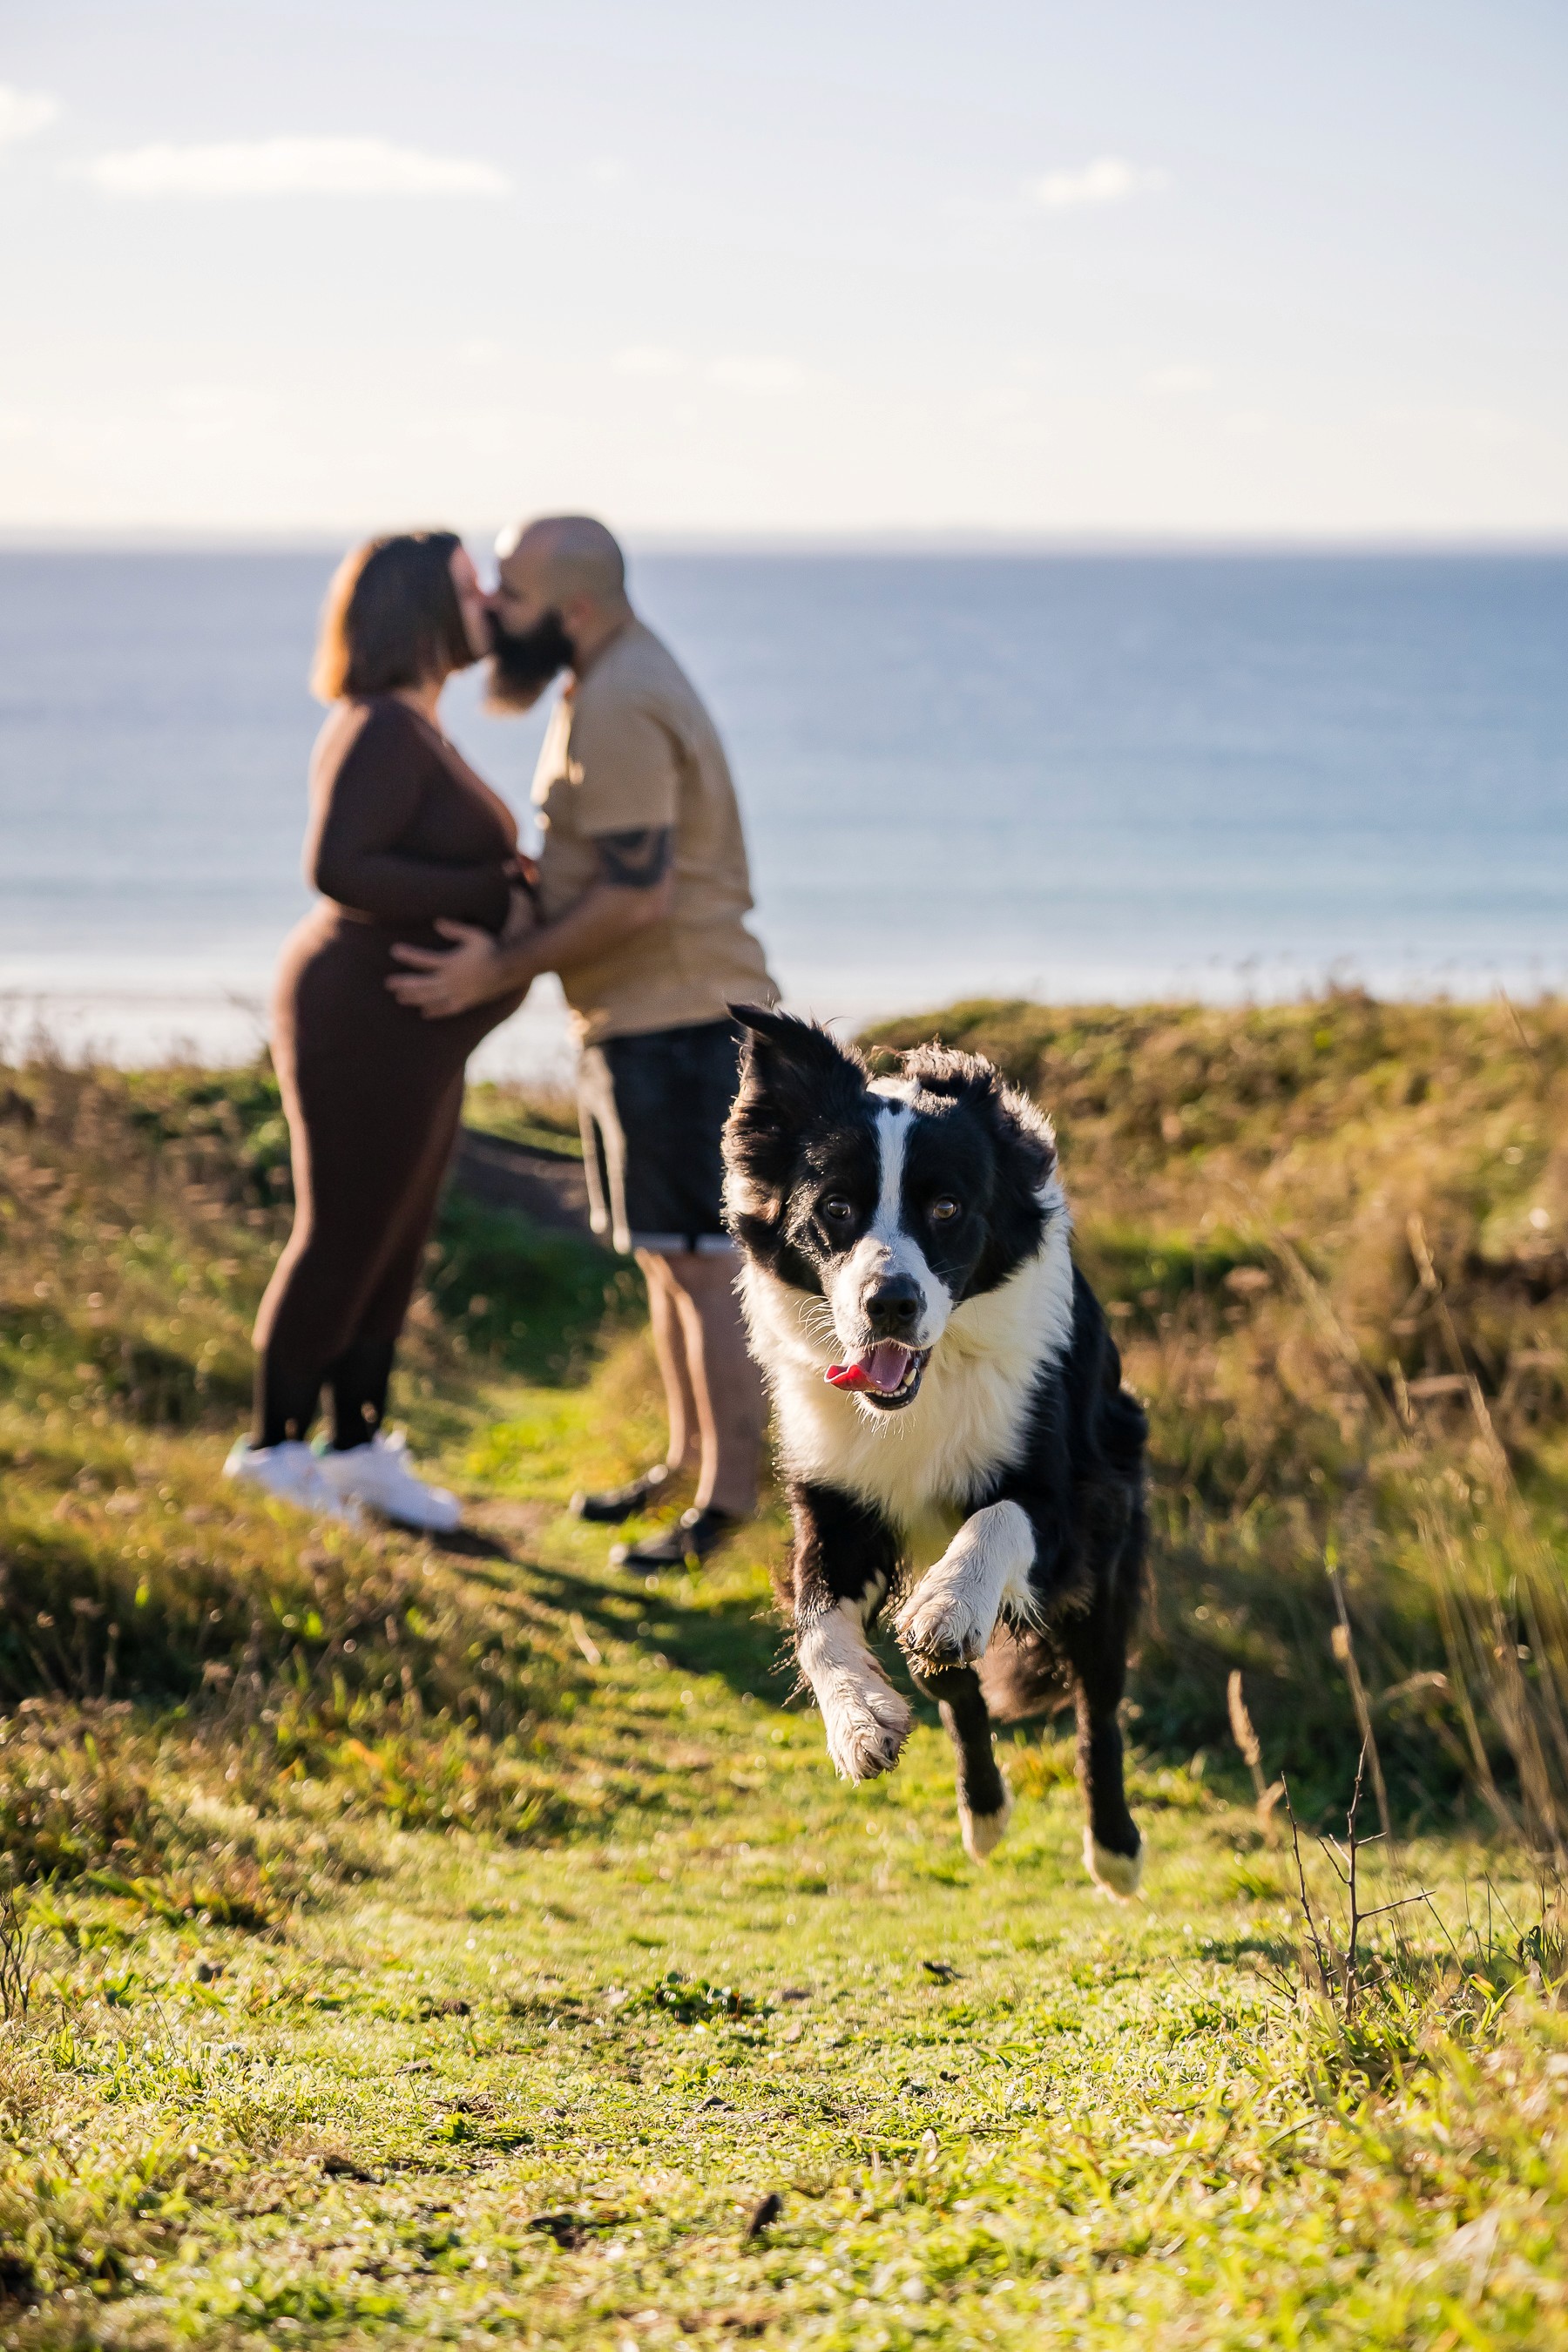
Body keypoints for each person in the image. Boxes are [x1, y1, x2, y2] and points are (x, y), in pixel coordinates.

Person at [388, 515, 775, 1568]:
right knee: (667, 1265)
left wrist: (494, 970)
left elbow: (640, 897)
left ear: (578, 608)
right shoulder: (598, 683)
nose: (492, 615)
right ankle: (685, 1468)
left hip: (684, 1025)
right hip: (637, 1023)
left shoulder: (618, 697)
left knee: (704, 1270)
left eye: (509, 594)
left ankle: (725, 1510)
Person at [226, 530, 531, 1531]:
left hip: (412, 1031)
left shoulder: (415, 724)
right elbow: (340, 869)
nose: (489, 600)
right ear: (422, 611)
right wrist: (493, 885)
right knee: (343, 1235)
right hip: (361, 1018)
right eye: (470, 585)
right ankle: (273, 1450)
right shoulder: (380, 730)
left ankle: (356, 1448)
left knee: (394, 1240)